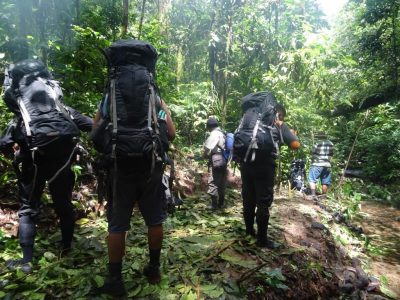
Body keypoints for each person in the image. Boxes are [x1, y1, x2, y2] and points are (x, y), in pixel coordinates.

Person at [0, 59, 93, 274]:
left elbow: (4, 144)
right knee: (63, 202)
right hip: (63, 156)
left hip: (33, 159)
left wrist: (13, 147)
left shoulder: (22, 118)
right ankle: (66, 248)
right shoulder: (63, 111)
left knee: (28, 208)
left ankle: (26, 261)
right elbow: (92, 126)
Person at [94, 99, 175, 296]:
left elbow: (95, 133)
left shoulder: (110, 96)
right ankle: (154, 271)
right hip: (151, 167)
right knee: (155, 220)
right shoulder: (155, 99)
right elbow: (170, 135)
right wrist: (164, 108)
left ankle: (115, 279)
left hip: (119, 168)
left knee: (117, 224)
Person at [240, 103, 300, 248]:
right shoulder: (279, 124)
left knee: (248, 198)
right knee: (263, 201)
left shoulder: (249, 123)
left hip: (246, 163)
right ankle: (262, 240)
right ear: (279, 114)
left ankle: (249, 231)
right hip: (265, 167)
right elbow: (295, 145)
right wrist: (292, 134)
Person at [203, 117, 227, 210]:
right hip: (224, 160)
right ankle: (221, 203)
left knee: (213, 182)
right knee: (222, 182)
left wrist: (204, 155)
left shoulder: (214, 134)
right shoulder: (222, 133)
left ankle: (214, 205)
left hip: (216, 160)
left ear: (209, 127)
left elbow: (207, 148)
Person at [308, 132, 334, 200]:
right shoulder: (331, 143)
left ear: (319, 137)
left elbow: (312, 152)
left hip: (317, 164)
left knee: (312, 179)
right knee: (325, 181)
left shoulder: (317, 143)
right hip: (327, 165)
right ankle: (323, 196)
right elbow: (332, 154)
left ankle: (313, 195)